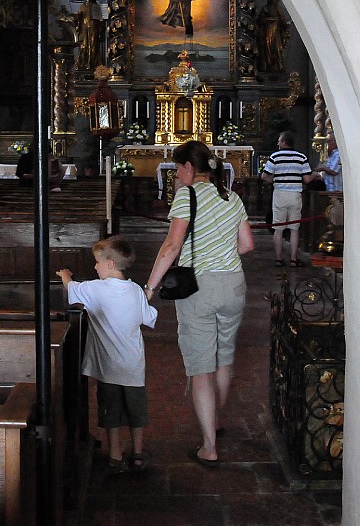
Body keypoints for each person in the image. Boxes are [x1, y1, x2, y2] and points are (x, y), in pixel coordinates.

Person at [144, 140, 254, 468]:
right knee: (224, 356)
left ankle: (209, 446)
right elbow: (247, 245)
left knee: (201, 368)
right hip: (233, 284)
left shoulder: (186, 196)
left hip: (200, 288)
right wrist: (220, 250)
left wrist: (149, 287)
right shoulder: (231, 197)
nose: (177, 174)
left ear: (190, 168)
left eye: (179, 167)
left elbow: (171, 246)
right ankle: (216, 421)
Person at [56, 236, 157, 472]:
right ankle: (138, 453)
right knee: (136, 411)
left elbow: (72, 289)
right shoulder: (135, 291)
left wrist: (65, 275)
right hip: (133, 366)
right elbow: (148, 318)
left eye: (98, 263)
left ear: (110, 264)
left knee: (111, 411)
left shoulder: (95, 289)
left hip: (108, 368)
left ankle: (115, 455)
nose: (95, 267)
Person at [262, 131, 321, 266]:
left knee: (278, 228)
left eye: (279, 141)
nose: (278, 143)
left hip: (280, 194)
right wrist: (314, 174)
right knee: (294, 228)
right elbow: (306, 179)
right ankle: (294, 259)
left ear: (284, 142)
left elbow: (264, 176)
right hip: (295, 195)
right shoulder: (301, 157)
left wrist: (275, 180)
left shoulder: (275, 157)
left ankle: (278, 259)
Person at [256, 0, 288, 72]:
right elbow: (260, 20)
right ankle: (268, 66)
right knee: (267, 49)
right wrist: (269, 20)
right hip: (267, 32)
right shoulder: (266, 8)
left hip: (276, 33)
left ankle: (278, 67)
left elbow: (283, 21)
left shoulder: (278, 10)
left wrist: (284, 24)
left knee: (278, 49)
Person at [75, 0, 105, 70]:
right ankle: (83, 65)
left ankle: (92, 66)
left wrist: (101, 32)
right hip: (85, 29)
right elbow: (78, 19)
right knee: (84, 47)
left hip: (93, 28)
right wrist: (78, 17)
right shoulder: (82, 6)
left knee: (93, 47)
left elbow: (101, 21)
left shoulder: (96, 6)